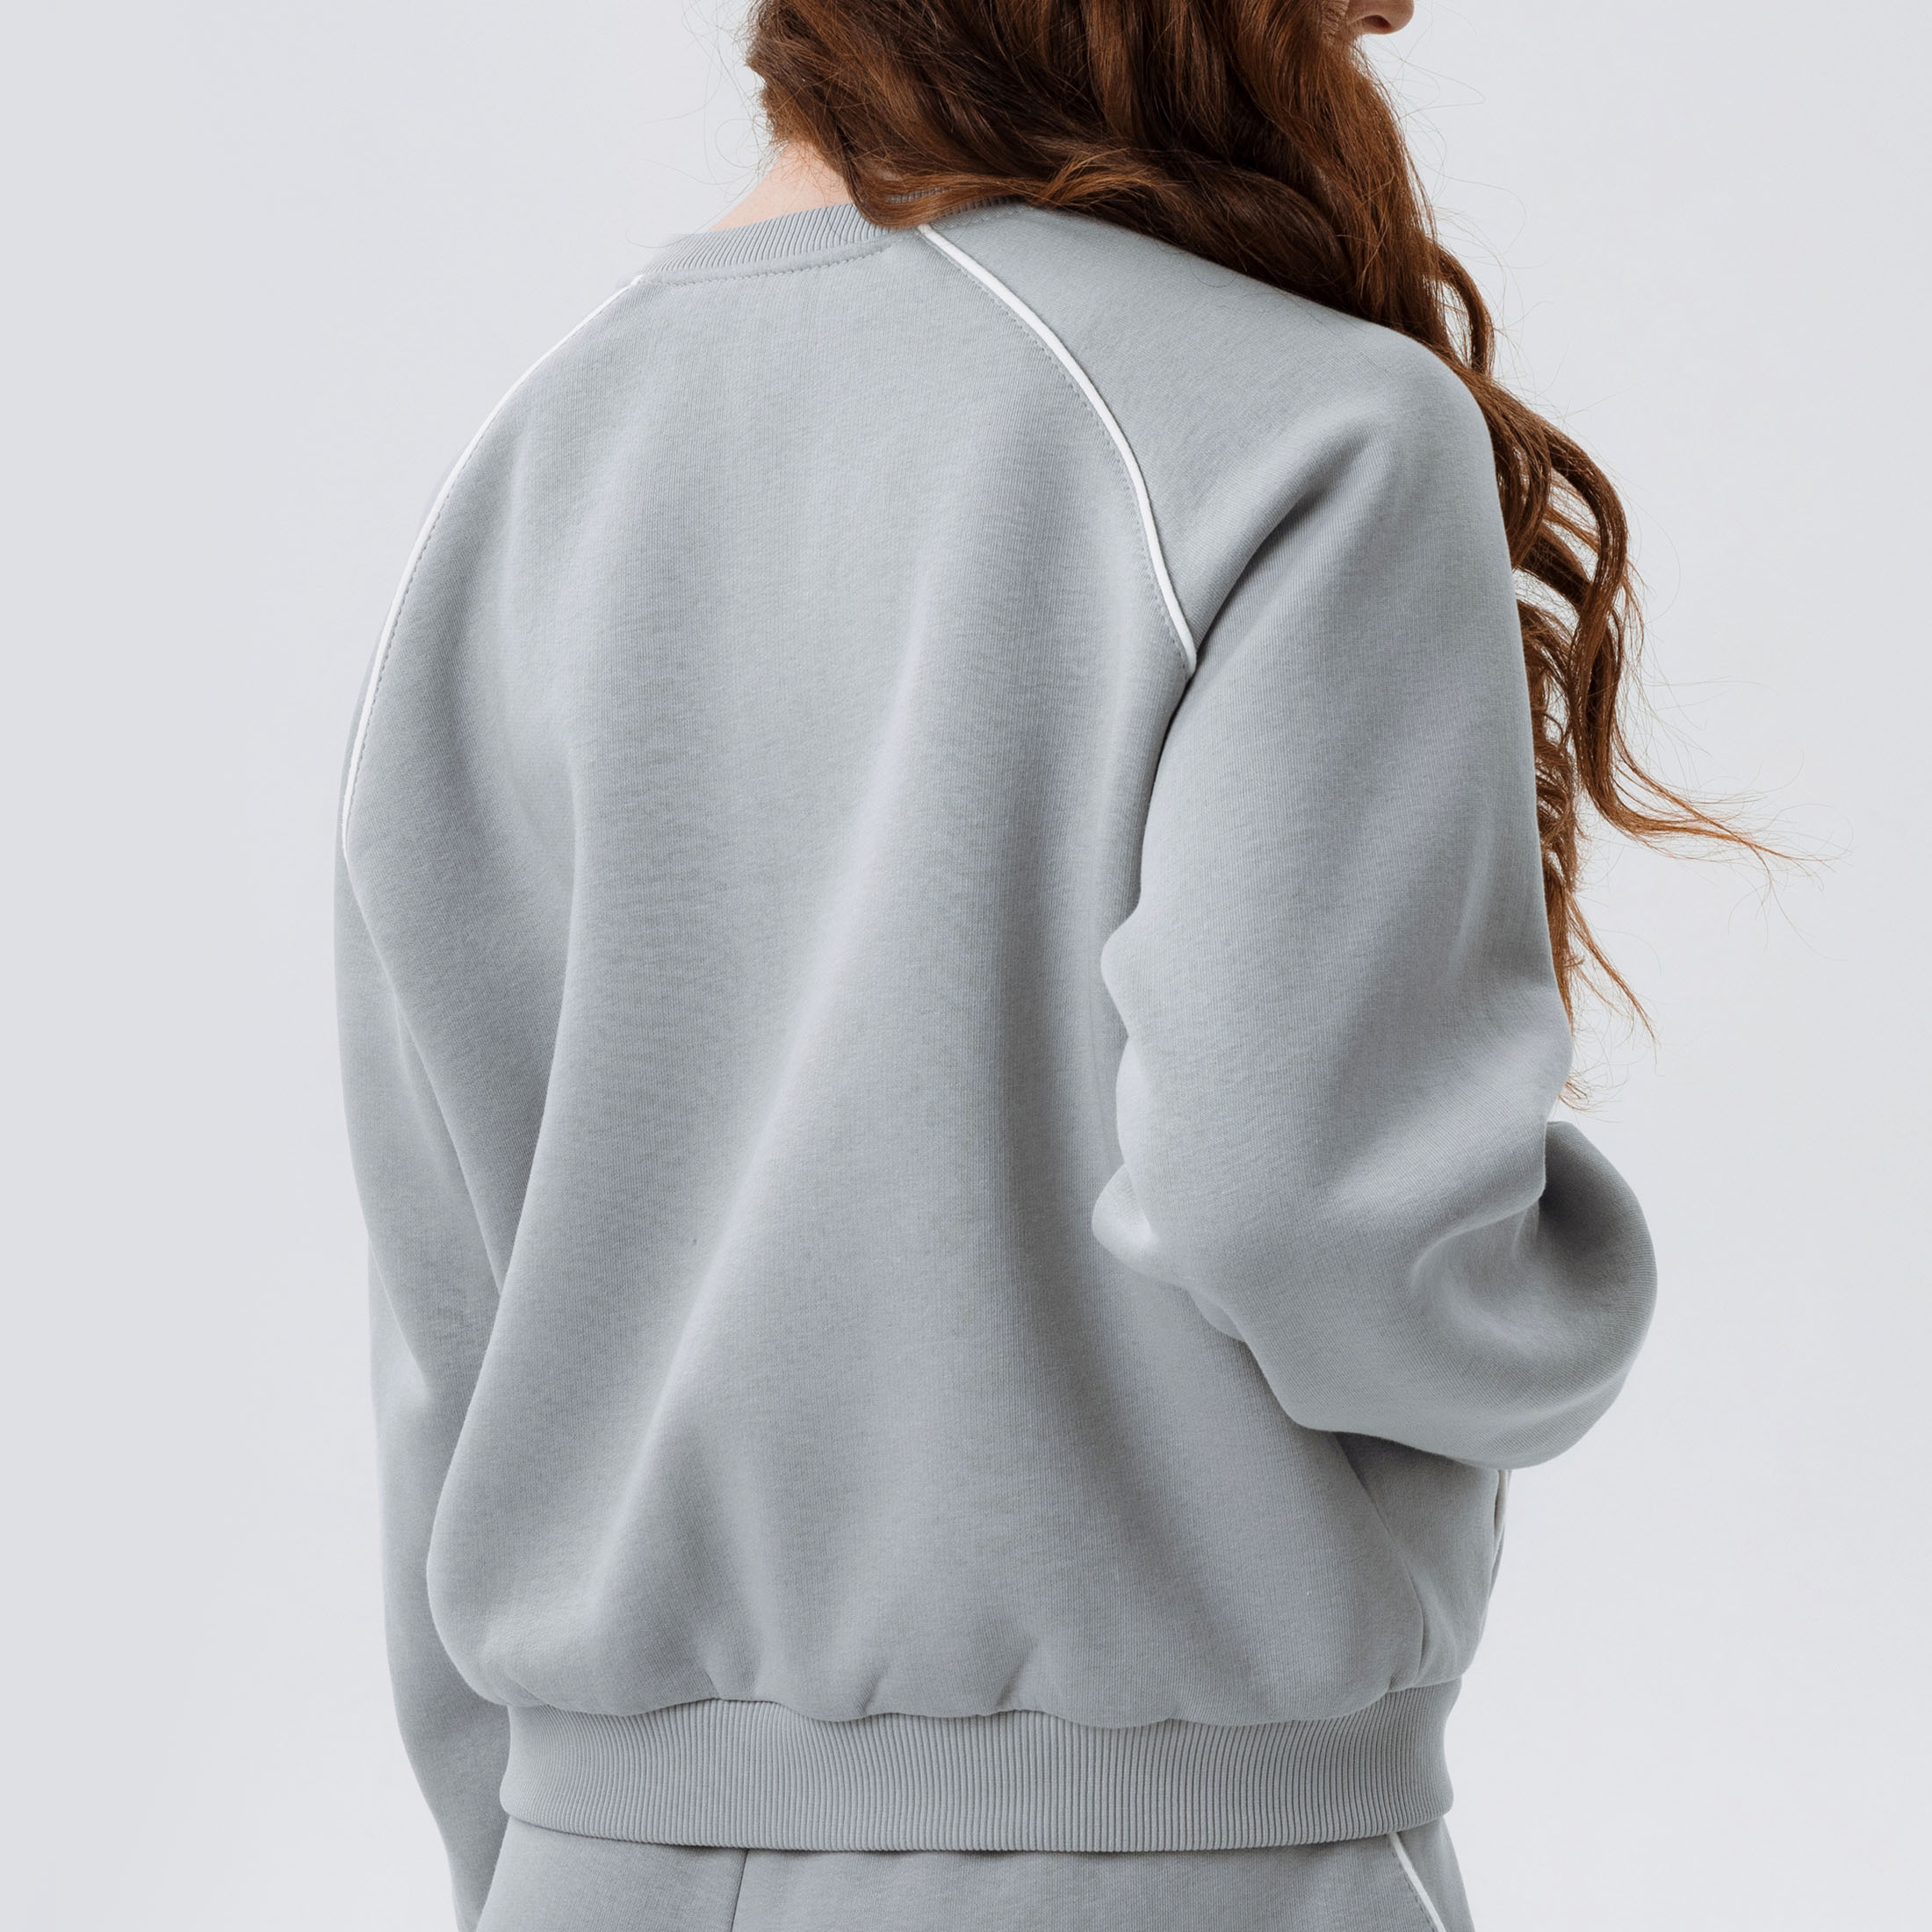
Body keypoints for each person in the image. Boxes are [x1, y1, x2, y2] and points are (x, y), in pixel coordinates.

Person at [335, 1, 1739, 1925]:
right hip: (1173, 1872)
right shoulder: (1310, 430)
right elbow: (1306, 1207)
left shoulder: (512, 472)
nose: (1397, 7)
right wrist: (1554, 1293)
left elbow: (452, 1337)